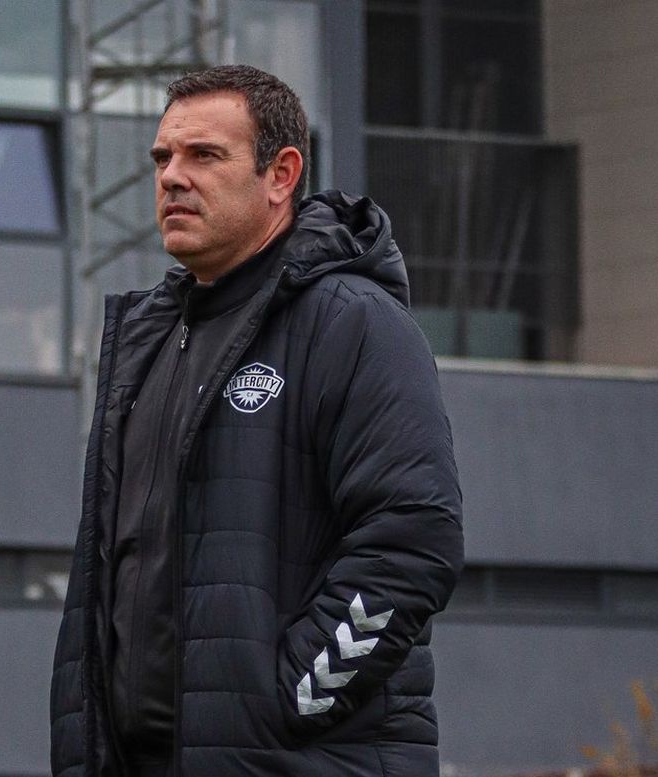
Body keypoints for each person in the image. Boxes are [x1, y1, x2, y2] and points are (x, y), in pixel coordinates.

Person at [49, 65, 464, 776]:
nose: (172, 177)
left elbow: (414, 539)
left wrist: (289, 700)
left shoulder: (354, 323)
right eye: (162, 158)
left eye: (204, 155)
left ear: (281, 174)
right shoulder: (145, 338)